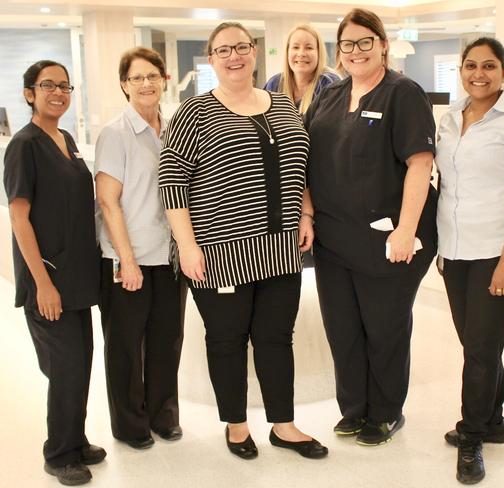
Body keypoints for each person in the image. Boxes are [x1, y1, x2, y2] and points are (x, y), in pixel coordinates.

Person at [159, 21, 327, 460]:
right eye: (222, 50)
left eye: (241, 47)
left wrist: (305, 213)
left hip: (281, 250)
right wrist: (188, 245)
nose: (233, 56)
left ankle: (283, 425)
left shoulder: (284, 105)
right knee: (227, 340)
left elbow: (301, 166)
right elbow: (172, 181)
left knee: (276, 338)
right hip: (218, 254)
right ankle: (236, 425)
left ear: (254, 52)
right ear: (211, 59)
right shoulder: (194, 112)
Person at [304, 8, 437, 446]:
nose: (356, 51)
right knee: (343, 328)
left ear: (382, 44)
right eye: (347, 44)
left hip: (387, 238)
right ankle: (354, 408)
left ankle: (384, 412)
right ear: (337, 51)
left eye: (365, 42)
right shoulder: (329, 95)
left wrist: (406, 229)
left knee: (385, 328)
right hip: (333, 238)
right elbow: (306, 163)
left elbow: (420, 164)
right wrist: (307, 216)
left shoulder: (403, 93)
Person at [435, 37, 504, 484]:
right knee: (478, 346)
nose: (478, 73)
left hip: (496, 253)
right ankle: (494, 419)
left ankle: (472, 436)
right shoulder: (448, 118)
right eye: (470, 65)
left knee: (479, 350)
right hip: (455, 250)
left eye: (489, 66)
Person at [3, 60, 104, 486]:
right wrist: (42, 283)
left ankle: (76, 439)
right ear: (30, 93)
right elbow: (19, 217)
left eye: (65, 85)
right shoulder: (24, 145)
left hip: (77, 276)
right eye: (48, 86)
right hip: (48, 279)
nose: (58, 92)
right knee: (64, 367)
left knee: (81, 363)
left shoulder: (65, 138)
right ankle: (59, 453)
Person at [95, 47, 186, 450]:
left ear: (165, 80)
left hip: (169, 257)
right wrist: (126, 261)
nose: (146, 83)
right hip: (127, 259)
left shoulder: (173, 128)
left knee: (167, 341)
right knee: (126, 347)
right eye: (136, 78)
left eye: (153, 75)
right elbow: (108, 201)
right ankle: (130, 425)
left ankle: (163, 416)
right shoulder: (116, 133)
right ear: (124, 85)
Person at [263, 24, 340, 115]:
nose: (301, 53)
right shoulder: (275, 83)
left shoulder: (329, 83)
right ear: (287, 52)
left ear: (319, 52)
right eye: (295, 47)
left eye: (309, 48)